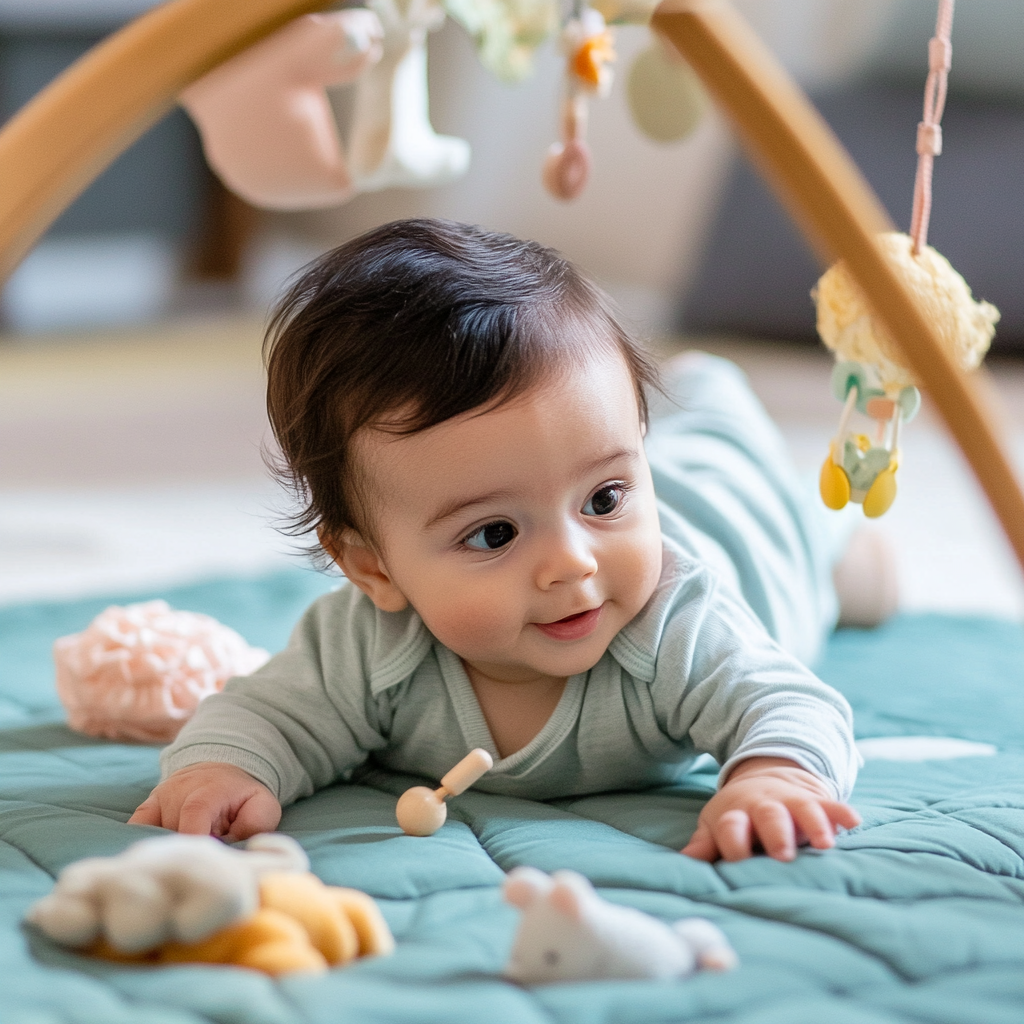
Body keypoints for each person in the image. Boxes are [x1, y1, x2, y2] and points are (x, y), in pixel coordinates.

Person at [130, 218, 867, 863]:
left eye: (605, 499)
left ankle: (718, 411)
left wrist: (775, 777)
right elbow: (265, 714)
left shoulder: (675, 622)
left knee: (835, 551)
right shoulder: (371, 649)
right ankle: (663, 431)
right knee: (613, 458)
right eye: (494, 533)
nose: (572, 562)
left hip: (748, 527)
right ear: (370, 565)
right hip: (646, 470)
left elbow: (790, 704)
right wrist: (220, 771)